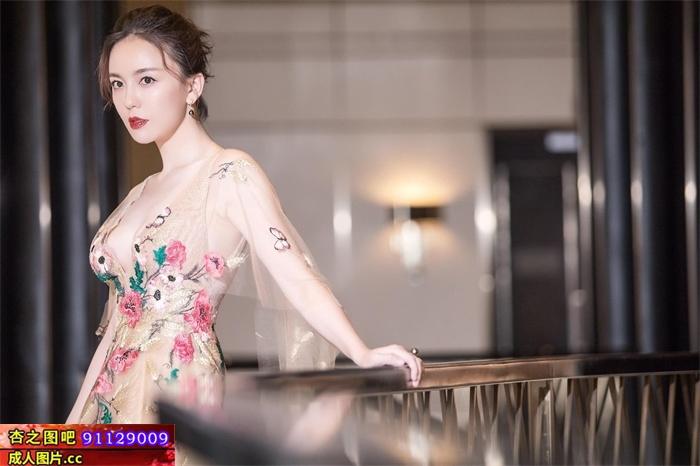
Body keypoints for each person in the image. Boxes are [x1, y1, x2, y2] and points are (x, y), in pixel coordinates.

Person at [66, 4, 422, 425]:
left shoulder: (229, 173)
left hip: (178, 388)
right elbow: (118, 327)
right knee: (26, 449)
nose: (129, 100)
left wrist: (361, 352)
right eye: (117, 83)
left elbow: (295, 276)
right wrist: (71, 427)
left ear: (192, 86)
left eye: (147, 80)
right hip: (112, 397)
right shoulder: (139, 193)